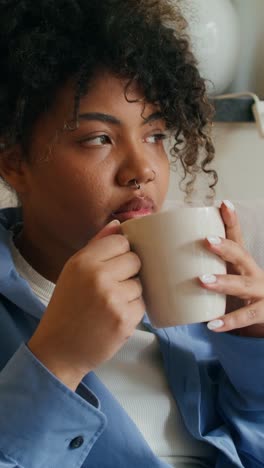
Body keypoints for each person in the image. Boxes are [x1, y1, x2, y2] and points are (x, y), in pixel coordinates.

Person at [0, 1, 263, 467]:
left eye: (156, 135)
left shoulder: (192, 295)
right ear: (15, 161)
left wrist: (254, 354)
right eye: (99, 138)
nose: (143, 169)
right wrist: (58, 361)